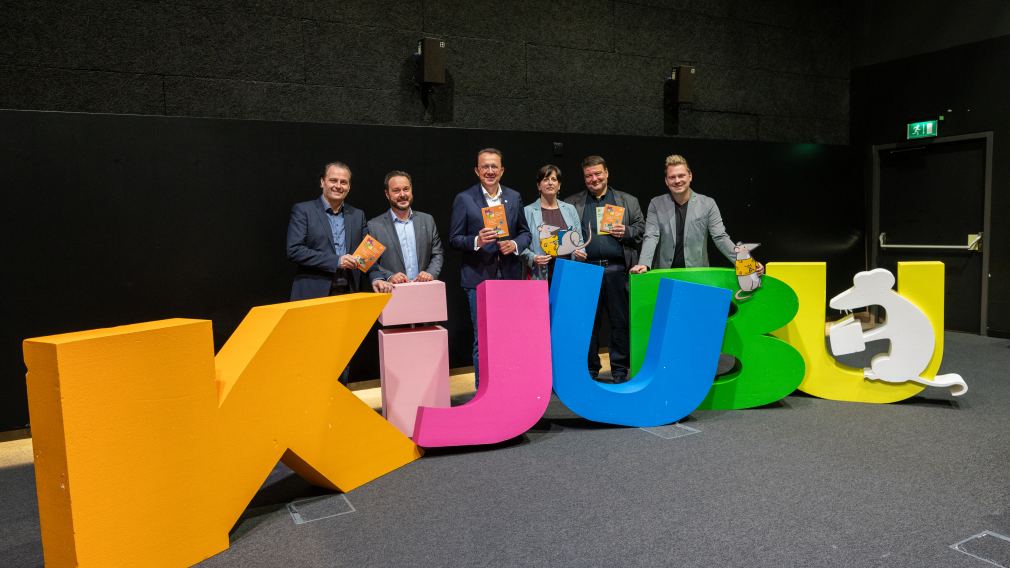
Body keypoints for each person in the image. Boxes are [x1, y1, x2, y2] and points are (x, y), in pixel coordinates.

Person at [285, 161, 386, 383]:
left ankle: (339, 404)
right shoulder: (303, 210)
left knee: (342, 356)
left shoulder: (356, 215)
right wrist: (336, 260)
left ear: (349, 187)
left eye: (344, 182)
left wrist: (376, 277)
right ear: (322, 182)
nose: (338, 185)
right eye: (333, 180)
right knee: (312, 356)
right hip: (313, 295)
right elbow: (294, 250)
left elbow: (366, 256)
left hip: (346, 294)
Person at [448, 148, 532, 385]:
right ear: (477, 170)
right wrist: (477, 240)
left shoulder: (514, 197)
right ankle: (483, 390)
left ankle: (509, 386)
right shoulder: (464, 199)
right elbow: (454, 239)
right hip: (478, 279)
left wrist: (514, 244)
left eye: (494, 166)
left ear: (502, 170)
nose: (490, 171)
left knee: (510, 336)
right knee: (483, 339)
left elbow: (525, 233)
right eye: (485, 166)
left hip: (510, 277)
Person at [565, 155, 644, 383]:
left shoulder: (628, 200)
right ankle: (590, 369)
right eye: (589, 175)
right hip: (586, 272)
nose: (594, 178)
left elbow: (642, 228)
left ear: (607, 173)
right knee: (589, 323)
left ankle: (619, 369)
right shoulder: (572, 204)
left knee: (620, 322)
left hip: (617, 270)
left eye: (598, 173)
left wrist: (626, 231)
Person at [630, 154, 753, 273]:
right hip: (664, 274)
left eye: (681, 175)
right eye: (672, 177)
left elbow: (720, 237)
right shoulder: (656, 203)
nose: (677, 180)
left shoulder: (708, 204)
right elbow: (651, 236)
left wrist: (745, 263)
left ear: (690, 176)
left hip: (697, 274)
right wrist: (644, 263)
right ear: (666, 181)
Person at [366, 170, 444, 291]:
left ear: (411, 190)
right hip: (392, 291)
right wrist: (389, 276)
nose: (402, 194)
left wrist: (430, 273)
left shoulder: (427, 220)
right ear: (387, 194)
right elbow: (368, 262)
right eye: (396, 191)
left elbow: (437, 253)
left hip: (425, 289)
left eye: (406, 189)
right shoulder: (374, 226)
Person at [522, 164, 582, 282]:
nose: (550, 183)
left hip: (567, 273)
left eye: (554, 179)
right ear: (539, 186)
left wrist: (581, 253)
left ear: (559, 185)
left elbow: (579, 239)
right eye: (545, 179)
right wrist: (533, 258)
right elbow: (521, 246)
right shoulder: (527, 211)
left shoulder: (570, 209)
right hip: (539, 274)